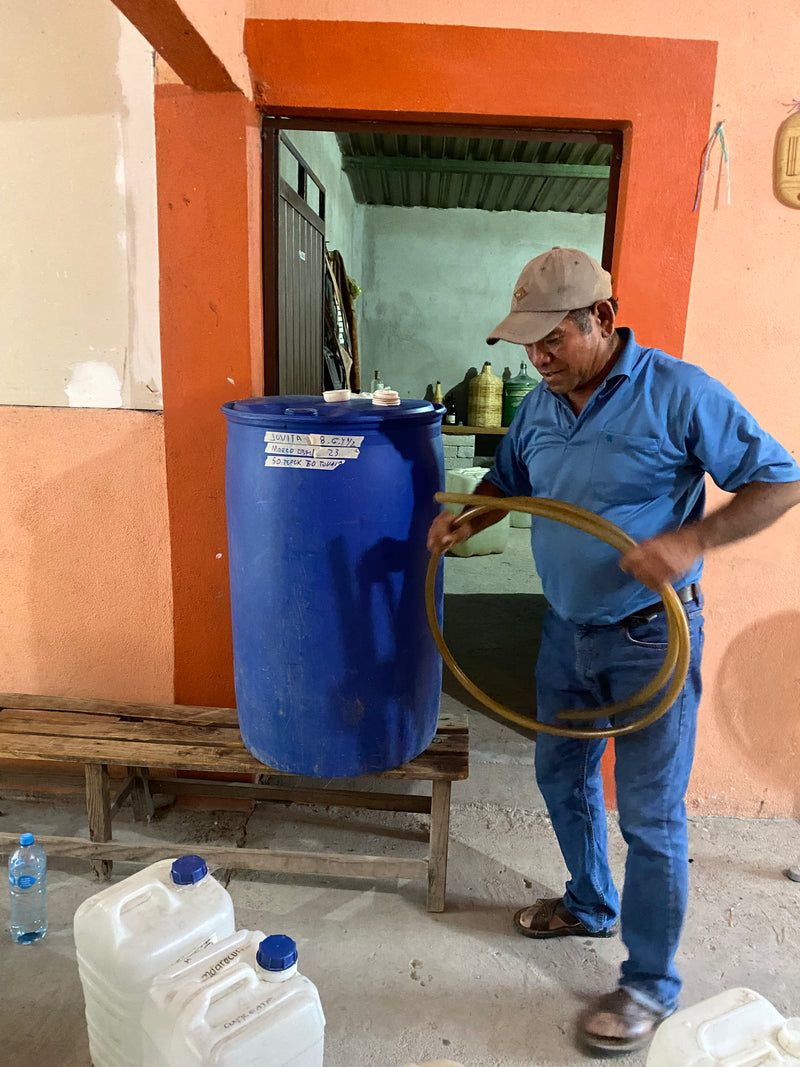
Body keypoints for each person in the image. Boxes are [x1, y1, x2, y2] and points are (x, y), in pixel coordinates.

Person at [427, 247, 800, 1056]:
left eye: (551, 339)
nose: (537, 357)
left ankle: (650, 985)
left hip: (650, 636)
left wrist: (690, 540)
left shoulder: (679, 392)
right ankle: (589, 902)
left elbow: (780, 479)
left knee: (650, 816)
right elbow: (508, 480)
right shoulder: (540, 407)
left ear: (600, 317)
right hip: (565, 631)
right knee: (559, 775)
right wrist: (467, 520)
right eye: (526, 343)